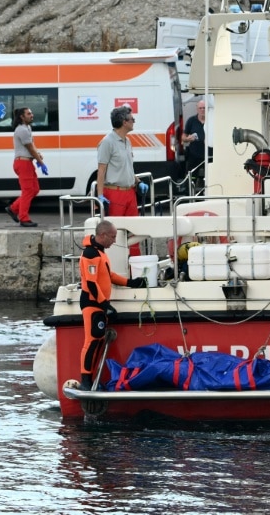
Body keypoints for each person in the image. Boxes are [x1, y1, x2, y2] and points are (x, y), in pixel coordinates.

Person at [79, 219, 147, 388]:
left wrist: (131, 283)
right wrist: (104, 305)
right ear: (102, 235)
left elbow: (109, 275)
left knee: (98, 340)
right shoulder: (91, 254)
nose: (115, 241)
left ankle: (91, 378)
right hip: (92, 304)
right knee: (92, 341)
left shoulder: (100, 252)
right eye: (113, 237)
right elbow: (91, 283)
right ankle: (86, 380)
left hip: (98, 304)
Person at [97, 105, 143, 254]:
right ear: (124, 121)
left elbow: (128, 167)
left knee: (135, 232)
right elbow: (101, 170)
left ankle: (134, 267)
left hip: (129, 192)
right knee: (114, 233)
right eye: (132, 119)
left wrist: (138, 182)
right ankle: (116, 267)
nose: (134, 122)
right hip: (115, 193)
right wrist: (100, 195)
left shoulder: (127, 141)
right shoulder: (107, 142)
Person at [5, 107, 45, 227]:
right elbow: (30, 148)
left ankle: (13, 208)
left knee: (34, 189)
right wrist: (40, 162)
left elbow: (32, 145)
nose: (32, 115)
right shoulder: (21, 130)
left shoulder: (27, 128)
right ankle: (23, 218)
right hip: (23, 164)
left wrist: (38, 155)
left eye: (31, 113)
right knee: (28, 191)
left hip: (27, 163)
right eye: (29, 114)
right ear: (22, 117)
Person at [183, 99, 208, 183]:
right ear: (197, 109)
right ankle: (190, 193)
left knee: (209, 176)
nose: (202, 110)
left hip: (209, 154)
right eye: (200, 108)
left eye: (204, 108)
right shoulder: (191, 120)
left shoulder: (211, 120)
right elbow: (183, 137)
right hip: (194, 154)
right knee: (192, 176)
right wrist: (188, 139)